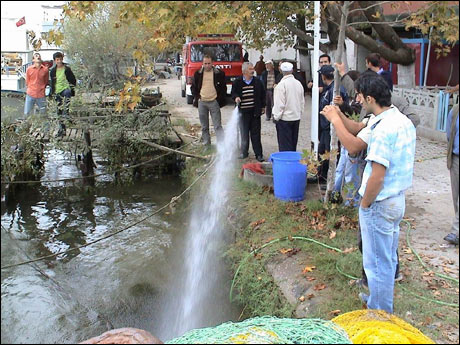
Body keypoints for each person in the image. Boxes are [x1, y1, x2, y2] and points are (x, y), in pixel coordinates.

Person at [321, 73, 416, 313]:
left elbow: (357, 152)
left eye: (360, 97)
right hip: (396, 201)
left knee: (377, 263)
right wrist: (339, 114)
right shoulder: (392, 118)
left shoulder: (385, 130)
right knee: (387, 258)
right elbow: (357, 130)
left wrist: (365, 204)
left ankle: (380, 313)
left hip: (380, 202)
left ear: (371, 97)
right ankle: (377, 300)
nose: (358, 101)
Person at [317, 64, 348, 185]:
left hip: (331, 128)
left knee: (329, 153)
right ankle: (322, 176)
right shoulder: (330, 89)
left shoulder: (335, 90)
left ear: (324, 76)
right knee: (323, 152)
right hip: (326, 127)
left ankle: (329, 180)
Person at [231, 62, 266, 162]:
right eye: (250, 69)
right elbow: (233, 93)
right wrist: (236, 97)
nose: (253, 71)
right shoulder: (237, 82)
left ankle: (259, 154)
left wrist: (263, 106)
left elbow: (262, 95)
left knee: (256, 135)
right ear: (244, 71)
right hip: (243, 113)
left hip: (255, 112)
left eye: (253, 69)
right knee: (244, 133)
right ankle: (244, 152)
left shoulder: (257, 82)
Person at [191, 54, 227, 146]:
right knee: (204, 127)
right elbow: (193, 88)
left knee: (217, 126)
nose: (207, 65)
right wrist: (197, 98)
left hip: (214, 101)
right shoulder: (198, 74)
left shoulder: (219, 73)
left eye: (209, 63)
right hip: (202, 102)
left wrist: (218, 100)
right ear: (202, 63)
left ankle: (222, 145)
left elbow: (223, 88)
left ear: (212, 63)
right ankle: (207, 144)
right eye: (205, 63)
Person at [272, 62, 304, 152]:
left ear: (281, 71)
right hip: (296, 117)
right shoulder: (298, 84)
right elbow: (302, 102)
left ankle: (286, 164)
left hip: (284, 119)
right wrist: (299, 113)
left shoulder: (281, 85)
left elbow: (279, 105)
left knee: (285, 147)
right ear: (292, 70)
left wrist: (276, 117)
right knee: (293, 144)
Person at [49, 52, 77, 137]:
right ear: (55, 60)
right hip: (57, 91)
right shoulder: (53, 71)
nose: (59, 61)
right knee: (59, 112)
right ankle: (62, 130)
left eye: (60, 59)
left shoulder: (67, 69)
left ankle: (67, 111)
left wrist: (72, 88)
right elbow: (52, 83)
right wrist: (51, 93)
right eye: (57, 60)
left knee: (67, 93)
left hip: (65, 89)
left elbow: (73, 80)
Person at [444, 104, 459, 245]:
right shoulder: (455, 111)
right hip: (455, 158)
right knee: (456, 196)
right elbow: (449, 134)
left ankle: (455, 231)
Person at [24, 52, 49, 117]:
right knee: (27, 113)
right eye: (36, 56)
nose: (38, 57)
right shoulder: (29, 69)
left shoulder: (45, 70)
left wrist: (42, 88)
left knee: (44, 114)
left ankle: (44, 127)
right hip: (31, 93)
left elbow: (46, 81)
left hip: (41, 94)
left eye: (39, 56)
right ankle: (26, 126)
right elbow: (27, 82)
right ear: (33, 60)